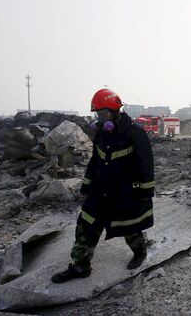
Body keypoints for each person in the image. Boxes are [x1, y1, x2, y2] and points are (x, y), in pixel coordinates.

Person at [51, 88, 155, 283]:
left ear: (116, 111)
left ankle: (139, 251)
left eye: (104, 114)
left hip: (125, 192)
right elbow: (95, 161)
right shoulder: (101, 134)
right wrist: (86, 185)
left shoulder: (135, 133)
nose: (100, 118)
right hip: (100, 190)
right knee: (86, 225)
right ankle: (80, 266)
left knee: (129, 226)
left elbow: (146, 165)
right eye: (98, 114)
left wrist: (145, 192)